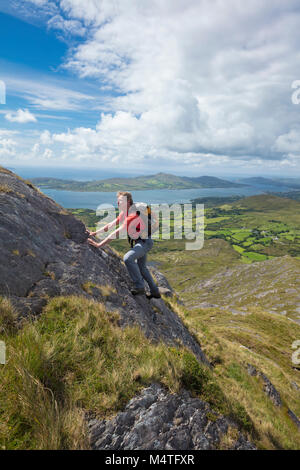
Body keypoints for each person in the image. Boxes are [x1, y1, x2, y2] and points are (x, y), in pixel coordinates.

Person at [87, 191, 161, 299]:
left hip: (145, 243)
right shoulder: (124, 213)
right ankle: (155, 291)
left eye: (120, 201)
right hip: (141, 241)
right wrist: (94, 233)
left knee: (128, 258)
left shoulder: (132, 214)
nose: (118, 202)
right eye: (118, 200)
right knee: (142, 268)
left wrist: (99, 245)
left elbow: (116, 232)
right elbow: (111, 225)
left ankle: (140, 287)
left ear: (128, 201)